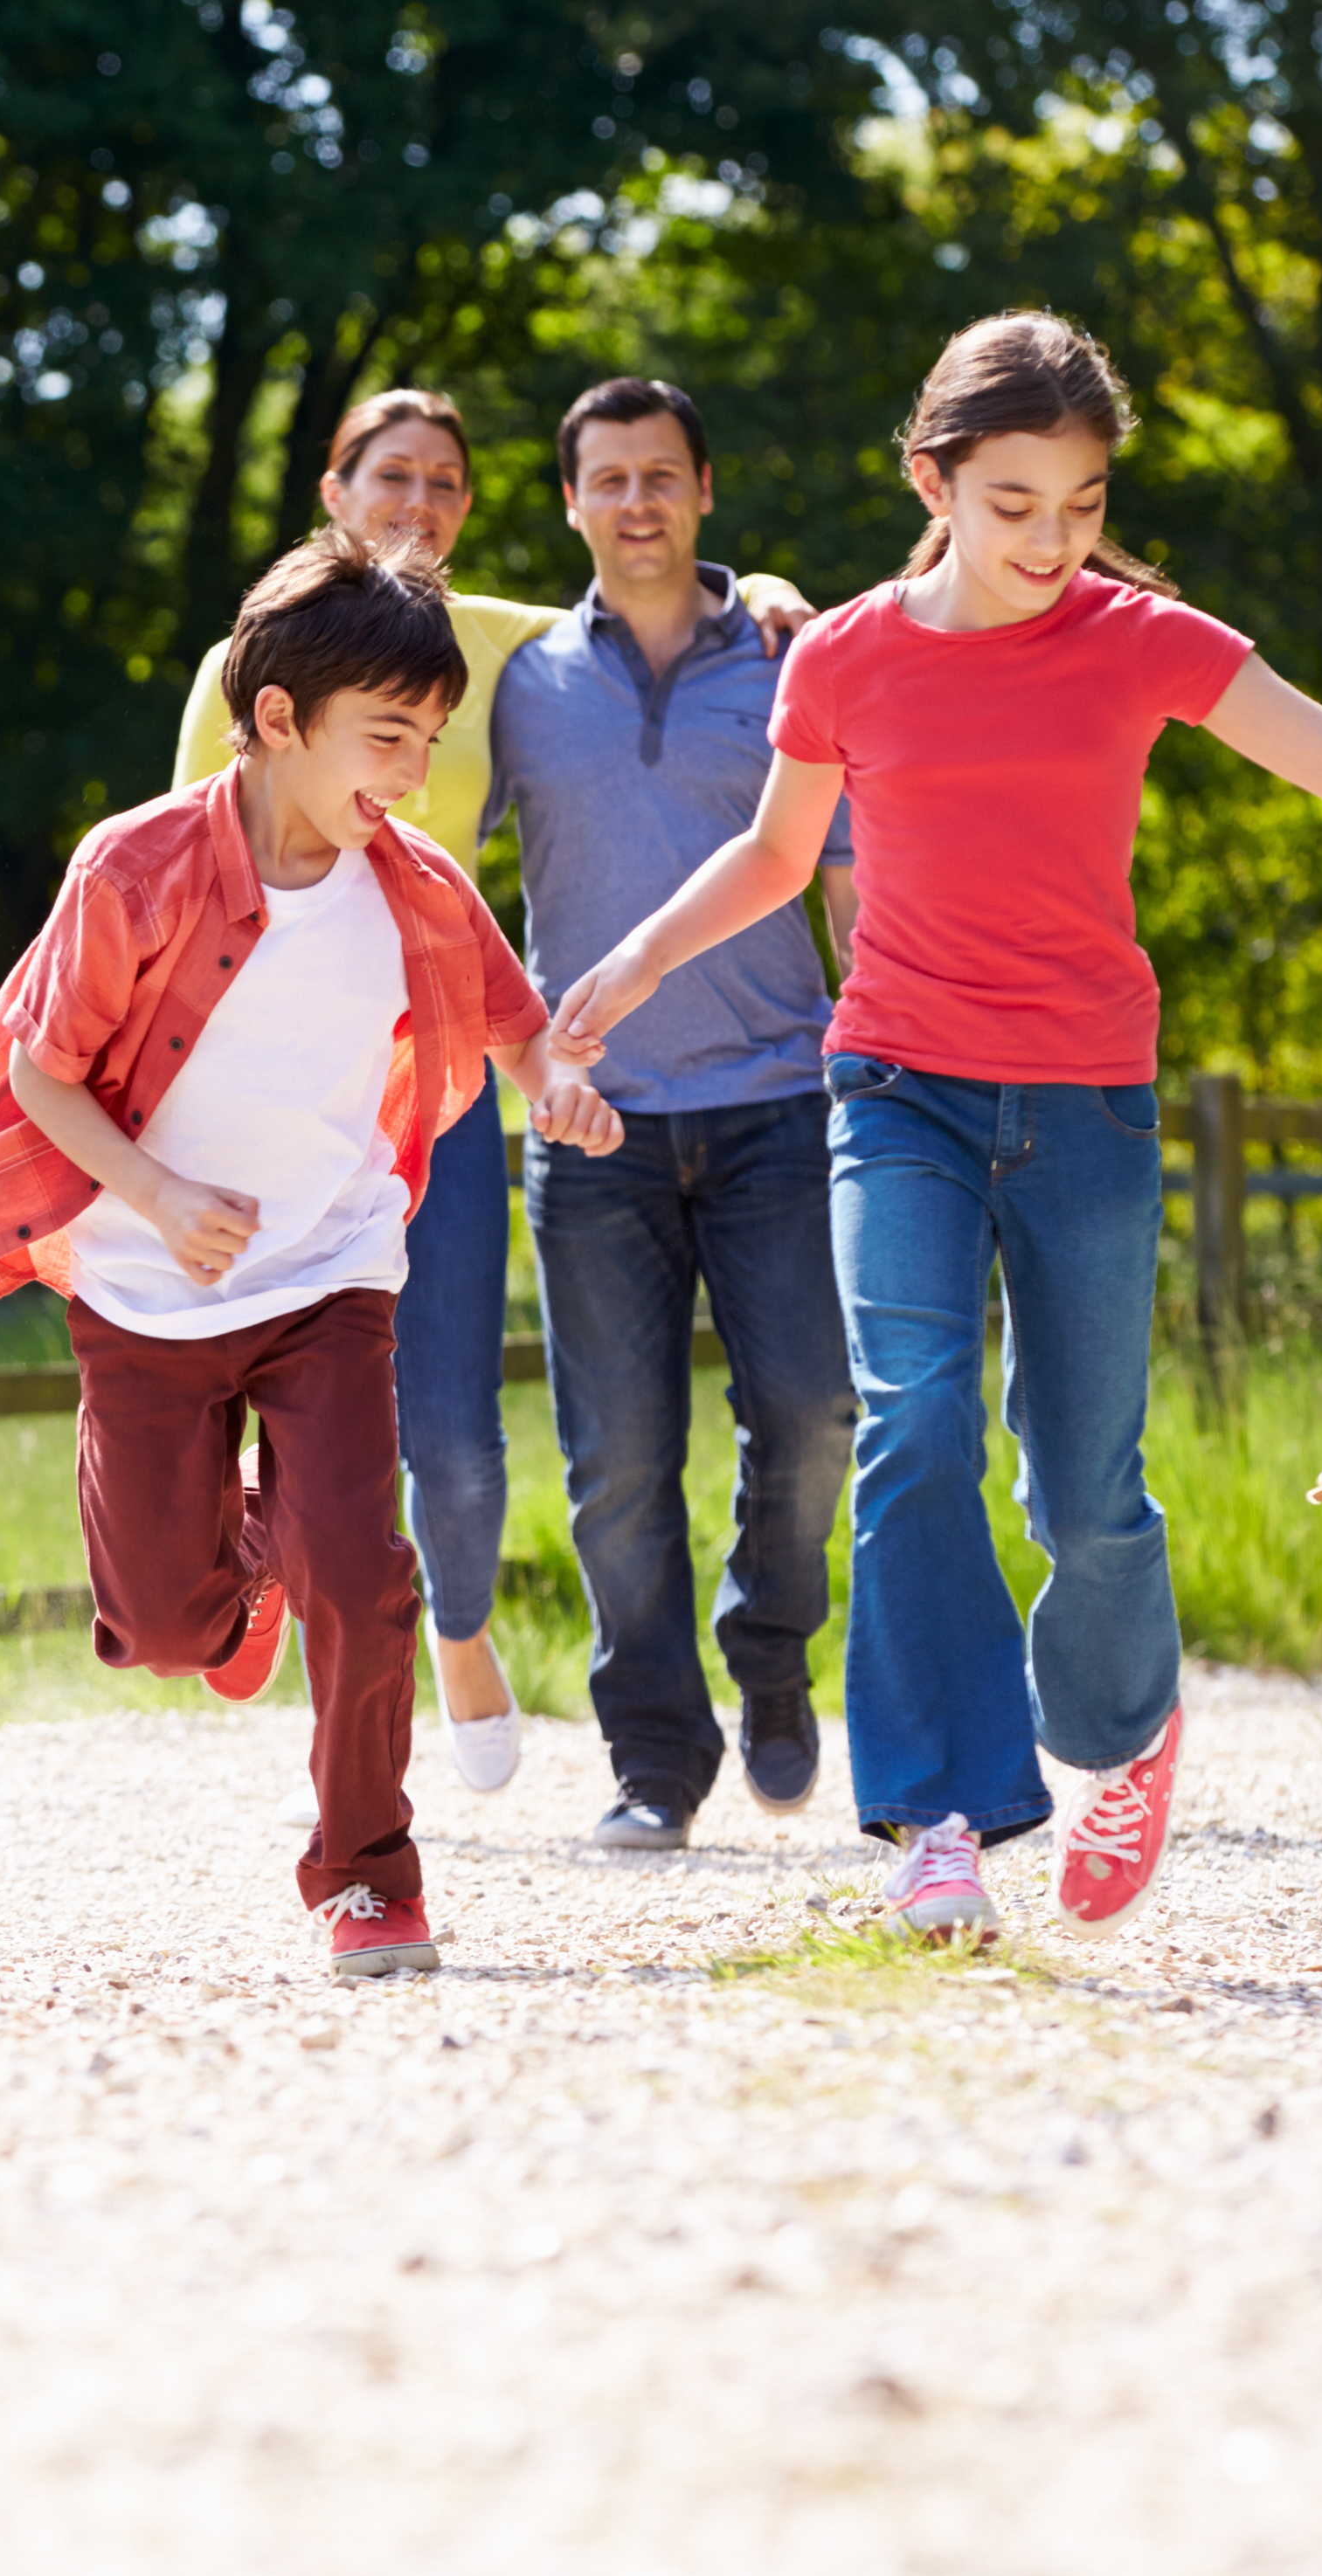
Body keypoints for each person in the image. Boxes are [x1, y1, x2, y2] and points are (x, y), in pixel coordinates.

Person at [550, 312, 1322, 1942]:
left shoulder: (1145, 641)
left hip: (1086, 1106)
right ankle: (940, 1821)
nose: (1054, 541)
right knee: (913, 1428)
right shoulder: (840, 656)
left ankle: (1122, 1733)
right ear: (936, 480)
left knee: (1088, 1491)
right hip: (893, 1086)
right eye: (1017, 503)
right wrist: (627, 964)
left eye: (1084, 502)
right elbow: (777, 858)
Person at [0, 528, 626, 1978]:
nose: (413, 767)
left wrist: (559, 1091)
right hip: (145, 1285)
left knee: (363, 1569)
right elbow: (42, 1073)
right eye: (387, 736)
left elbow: (515, 1026)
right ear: (278, 720)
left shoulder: (418, 886)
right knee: (162, 1625)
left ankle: (368, 1873)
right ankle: (238, 1563)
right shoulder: (134, 867)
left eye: (431, 737)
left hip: (329, 1273)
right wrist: (153, 1191)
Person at [170, 391, 809, 1801]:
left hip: (439, 1082)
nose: (420, 502)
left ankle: (456, 1631)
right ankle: (257, 1556)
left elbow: (654, 598)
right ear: (333, 491)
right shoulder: (245, 667)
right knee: (253, 1368)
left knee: (458, 1444)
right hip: (276, 1088)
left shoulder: (508, 646)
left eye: (445, 483)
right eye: (390, 477)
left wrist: (765, 588)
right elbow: (181, 872)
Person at [483, 374, 859, 1853]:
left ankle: (771, 1653)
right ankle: (655, 1759)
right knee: (618, 1464)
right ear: (570, 503)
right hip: (592, 1124)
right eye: (607, 480)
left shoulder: (789, 655)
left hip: (781, 1098)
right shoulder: (518, 683)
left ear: (704, 490)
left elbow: (849, 874)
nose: (636, 501)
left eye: (661, 475)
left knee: (816, 1415)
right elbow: (437, 869)